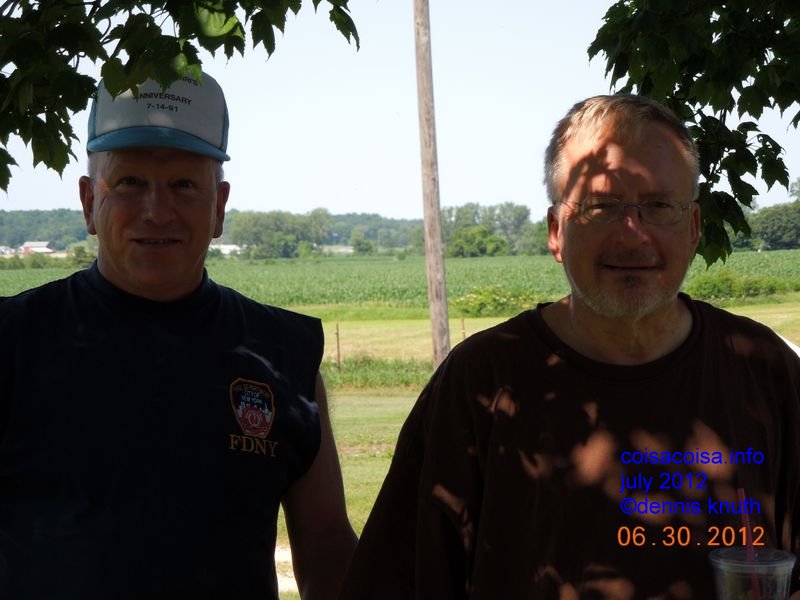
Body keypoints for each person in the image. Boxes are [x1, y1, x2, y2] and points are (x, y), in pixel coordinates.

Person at [338, 94, 800, 599]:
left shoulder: (765, 372)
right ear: (557, 231)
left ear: (692, 229)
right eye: (602, 207)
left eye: (659, 206)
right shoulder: (482, 383)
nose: (633, 234)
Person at [0, 72, 356, 599]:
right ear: (87, 201)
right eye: (130, 183)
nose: (157, 210)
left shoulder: (282, 353)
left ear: (219, 206)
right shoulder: (12, 341)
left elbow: (327, 548)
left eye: (184, 185)